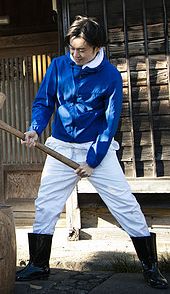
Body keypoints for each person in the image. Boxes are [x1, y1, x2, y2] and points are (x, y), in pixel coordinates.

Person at [16, 15, 168, 289]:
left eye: (81, 50)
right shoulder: (58, 66)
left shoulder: (110, 75)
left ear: (97, 48)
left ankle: (150, 267)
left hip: (96, 148)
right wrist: (35, 129)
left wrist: (92, 160)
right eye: (71, 48)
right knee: (46, 204)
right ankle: (38, 265)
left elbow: (110, 123)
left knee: (124, 204)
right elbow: (44, 101)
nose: (74, 55)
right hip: (61, 145)